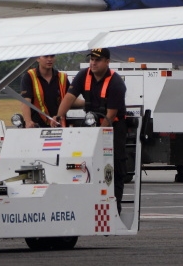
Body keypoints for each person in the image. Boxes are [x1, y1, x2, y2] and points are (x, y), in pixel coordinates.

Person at [55, 47, 128, 212]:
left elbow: (110, 116)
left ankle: (114, 208)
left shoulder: (116, 84)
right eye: (92, 59)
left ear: (107, 62)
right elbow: (69, 98)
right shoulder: (83, 75)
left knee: (114, 166)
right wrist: (58, 117)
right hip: (91, 125)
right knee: (82, 163)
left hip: (113, 127)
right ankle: (85, 205)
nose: (93, 63)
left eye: (98, 60)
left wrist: (98, 139)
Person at [19, 55, 72, 127]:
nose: (49, 59)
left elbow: (70, 99)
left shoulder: (62, 77)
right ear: (38, 58)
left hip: (58, 126)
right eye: (46, 57)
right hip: (37, 126)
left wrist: (87, 102)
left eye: (52, 56)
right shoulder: (29, 76)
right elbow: (25, 101)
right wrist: (28, 121)